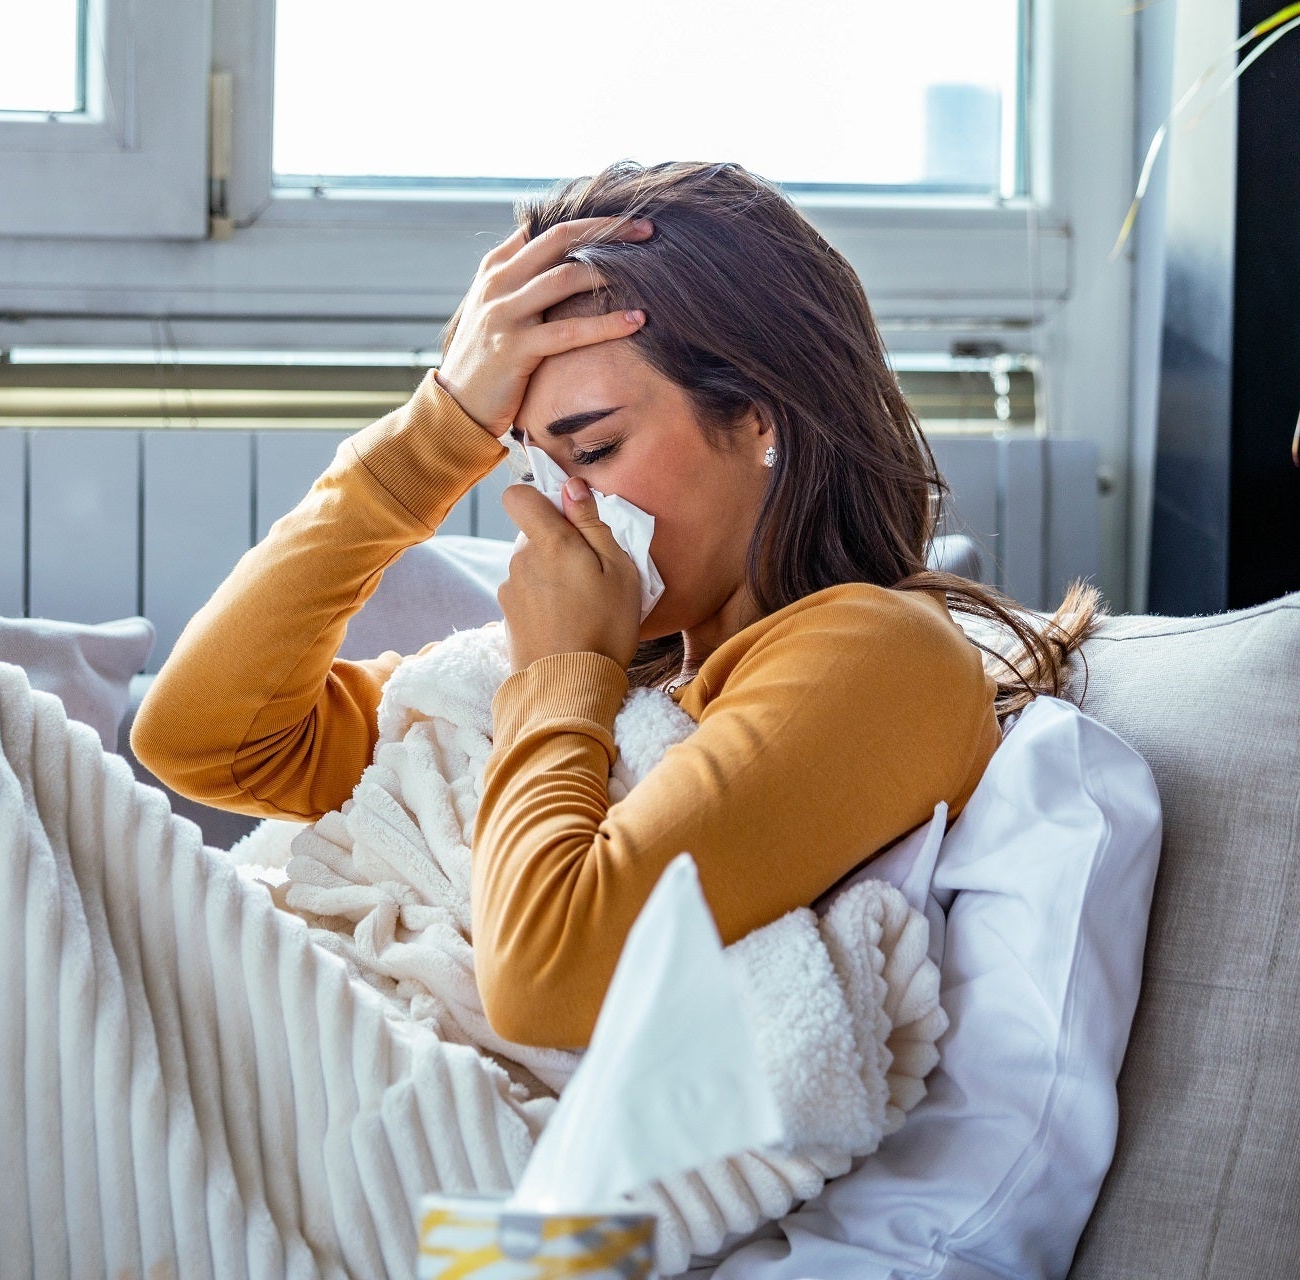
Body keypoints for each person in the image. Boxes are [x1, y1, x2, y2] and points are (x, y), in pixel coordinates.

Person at [132, 158, 1100, 1053]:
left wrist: (563, 671)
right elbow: (199, 738)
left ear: (760, 414)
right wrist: (441, 424)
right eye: (532, 460)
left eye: (592, 450)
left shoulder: (880, 654)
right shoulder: (626, 675)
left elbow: (546, 977)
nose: (563, 508)